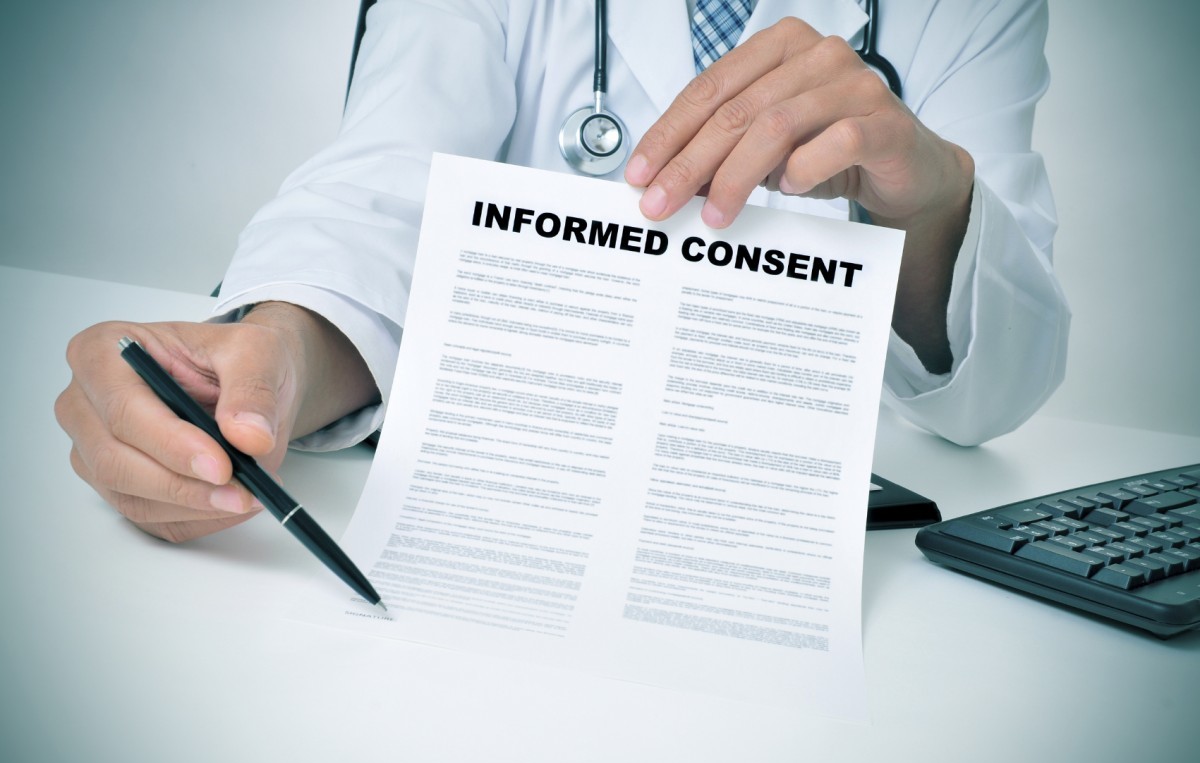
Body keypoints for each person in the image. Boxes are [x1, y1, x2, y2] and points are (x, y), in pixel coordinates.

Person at [54, 0, 1069, 544]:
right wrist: (272, 355)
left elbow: (993, 390)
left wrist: (933, 200)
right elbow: (376, 203)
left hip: (786, 529)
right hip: (517, 522)